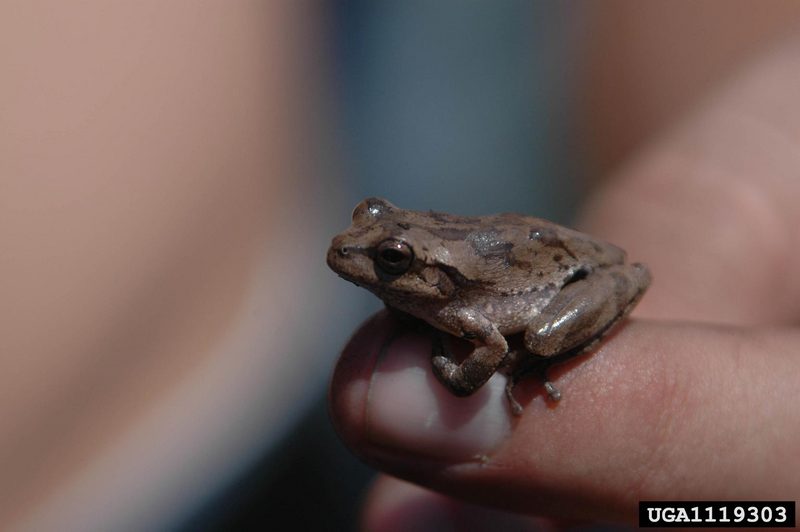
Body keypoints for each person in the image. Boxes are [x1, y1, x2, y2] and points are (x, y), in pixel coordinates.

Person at [329, 36, 800, 528]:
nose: (346, 249)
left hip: (564, 280)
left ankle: (537, 359)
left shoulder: (455, 307)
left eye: (390, 259)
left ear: (423, 271)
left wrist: (454, 372)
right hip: (516, 254)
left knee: (536, 336)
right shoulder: (433, 289)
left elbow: (489, 350)